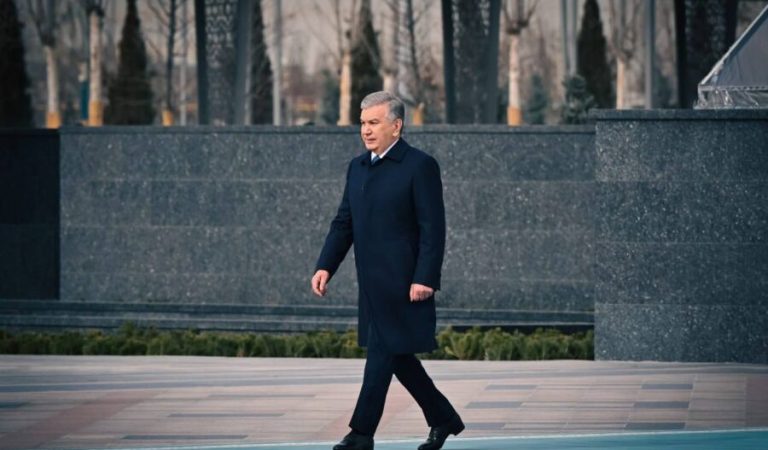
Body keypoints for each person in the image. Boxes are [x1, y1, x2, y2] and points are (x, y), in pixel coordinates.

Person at [311, 91, 464, 450]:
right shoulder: (356, 167)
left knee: (382, 354)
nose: (365, 130)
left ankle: (361, 435)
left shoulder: (419, 166)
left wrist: (426, 277)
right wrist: (325, 266)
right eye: (363, 122)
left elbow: (433, 227)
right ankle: (443, 419)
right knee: (398, 358)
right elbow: (343, 223)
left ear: (396, 126)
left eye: (374, 122)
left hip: (405, 284)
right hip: (371, 284)